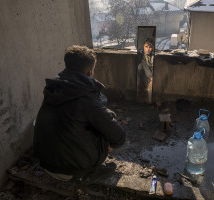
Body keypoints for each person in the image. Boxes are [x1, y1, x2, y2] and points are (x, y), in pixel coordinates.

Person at [33, 45, 126, 183]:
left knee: (98, 118)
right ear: (89, 73)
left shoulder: (54, 88)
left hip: (46, 163)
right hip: (72, 170)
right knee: (108, 120)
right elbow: (119, 136)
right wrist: (110, 145)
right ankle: (92, 170)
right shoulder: (86, 98)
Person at [137, 38, 154, 103]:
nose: (148, 49)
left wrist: (153, 78)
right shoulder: (141, 54)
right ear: (143, 46)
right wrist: (151, 78)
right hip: (144, 73)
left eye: (150, 47)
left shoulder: (153, 55)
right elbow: (145, 67)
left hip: (151, 73)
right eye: (146, 47)